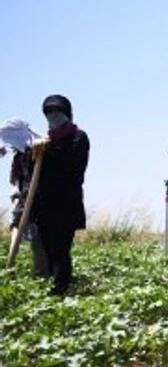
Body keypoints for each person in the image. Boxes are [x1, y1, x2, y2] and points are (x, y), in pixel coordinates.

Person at [27, 96, 90, 296]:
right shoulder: (43, 142)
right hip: (44, 206)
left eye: (57, 111)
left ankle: (60, 292)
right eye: (49, 112)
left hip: (66, 206)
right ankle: (47, 292)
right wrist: (33, 154)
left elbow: (72, 167)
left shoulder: (79, 138)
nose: (53, 116)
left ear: (67, 113)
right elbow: (33, 173)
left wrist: (48, 150)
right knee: (44, 252)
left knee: (59, 251)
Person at [1, 118, 50, 276]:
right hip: (23, 198)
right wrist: (17, 194)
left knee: (39, 241)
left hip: (40, 201)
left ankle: (43, 275)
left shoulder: (39, 148)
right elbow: (19, 180)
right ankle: (10, 267)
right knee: (18, 229)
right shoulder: (19, 155)